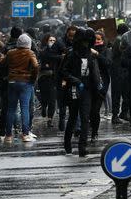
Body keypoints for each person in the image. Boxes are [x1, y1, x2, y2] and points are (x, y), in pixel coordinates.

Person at [59, 28, 100, 156]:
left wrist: (97, 86)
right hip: (74, 89)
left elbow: (96, 71)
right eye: (83, 42)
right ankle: (67, 144)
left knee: (85, 118)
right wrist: (75, 81)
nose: (85, 44)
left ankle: (82, 146)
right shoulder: (71, 54)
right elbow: (63, 71)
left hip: (87, 89)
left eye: (87, 42)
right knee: (72, 117)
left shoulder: (91, 54)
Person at [0, 33, 39, 143]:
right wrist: (33, 78)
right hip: (26, 82)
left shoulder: (11, 53)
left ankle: (8, 136)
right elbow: (35, 66)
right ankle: (25, 134)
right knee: (24, 108)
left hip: (12, 81)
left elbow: (2, 63)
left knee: (11, 108)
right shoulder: (30, 53)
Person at [89, 31, 111, 142]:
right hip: (89, 84)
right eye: (95, 39)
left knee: (95, 110)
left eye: (99, 39)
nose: (96, 41)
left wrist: (97, 55)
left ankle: (94, 132)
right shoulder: (87, 51)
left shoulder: (106, 51)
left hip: (101, 84)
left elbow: (108, 63)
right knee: (89, 110)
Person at [38, 34, 61, 127]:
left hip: (53, 79)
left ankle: (50, 119)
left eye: (54, 41)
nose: (52, 42)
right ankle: (43, 107)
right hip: (44, 78)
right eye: (50, 40)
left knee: (52, 99)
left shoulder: (58, 52)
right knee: (44, 98)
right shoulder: (43, 52)